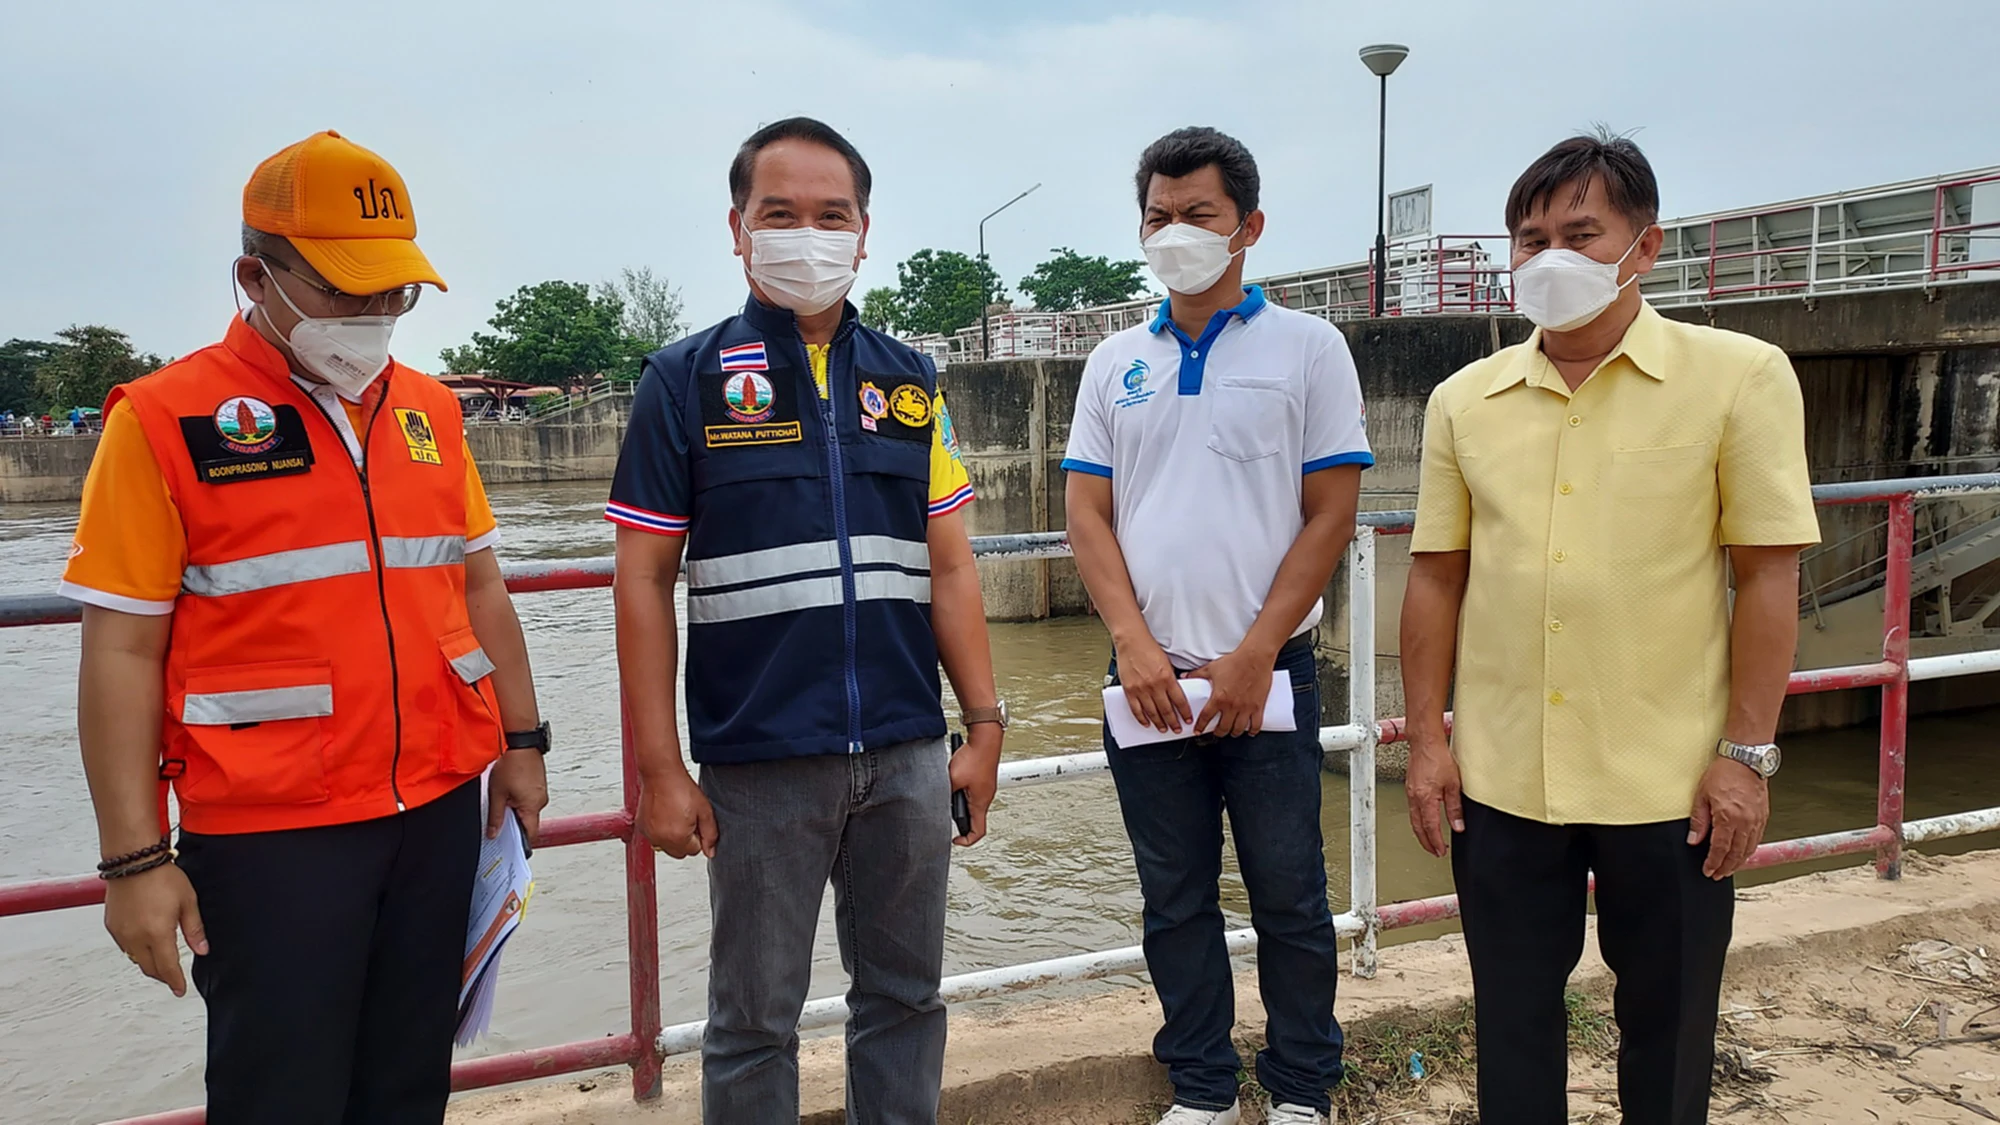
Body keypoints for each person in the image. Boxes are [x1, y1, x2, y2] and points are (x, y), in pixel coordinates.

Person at [64, 130, 551, 1125]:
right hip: (271, 836)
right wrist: (133, 861)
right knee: (280, 1096)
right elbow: (121, 647)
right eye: (343, 291)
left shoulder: (429, 413)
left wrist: (522, 742)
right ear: (256, 276)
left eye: (395, 293)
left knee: (407, 1084)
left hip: (435, 811)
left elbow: (481, 591)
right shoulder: (163, 420)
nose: (374, 318)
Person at [1400, 133, 1820, 1125]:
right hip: (1503, 779)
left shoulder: (1738, 377)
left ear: (1645, 246)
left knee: (1668, 1026)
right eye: (1530, 238)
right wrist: (1425, 741)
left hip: (1669, 784)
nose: (1550, 257)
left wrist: (1745, 757)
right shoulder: (1464, 402)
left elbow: (1767, 575)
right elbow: (1434, 579)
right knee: (1510, 1023)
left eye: (1579, 233)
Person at [608, 116, 1005, 1124]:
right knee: (752, 1021)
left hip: (907, 753)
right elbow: (643, 581)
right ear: (737, 228)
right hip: (760, 762)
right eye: (779, 213)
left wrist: (984, 724)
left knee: (905, 1000)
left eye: (832, 216)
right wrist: (660, 768)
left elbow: (949, 563)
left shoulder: (908, 382)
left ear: (864, 233)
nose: (807, 236)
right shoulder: (683, 383)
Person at [1062, 126, 1370, 1125]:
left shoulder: (1309, 349)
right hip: (1145, 680)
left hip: (1266, 677)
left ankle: (1300, 1088)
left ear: (1249, 225)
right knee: (1175, 896)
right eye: (1158, 215)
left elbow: (1329, 514)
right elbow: (1086, 515)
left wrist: (1252, 654)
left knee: (1288, 891)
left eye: (1198, 213)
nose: (1175, 232)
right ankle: (1200, 1087)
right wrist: (1133, 645)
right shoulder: (1113, 361)